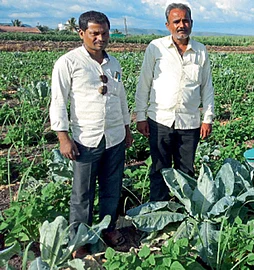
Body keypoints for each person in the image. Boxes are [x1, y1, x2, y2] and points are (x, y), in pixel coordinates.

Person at [49, 10, 133, 258]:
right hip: (86, 138)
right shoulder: (68, 62)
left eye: (104, 33)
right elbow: (58, 101)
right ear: (81, 33)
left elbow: (121, 98)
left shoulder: (113, 63)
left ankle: (108, 229)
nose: (100, 38)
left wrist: (127, 128)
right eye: (94, 33)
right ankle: (80, 240)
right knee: (82, 194)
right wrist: (63, 137)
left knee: (111, 188)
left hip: (115, 136)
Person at [135, 3, 214, 202]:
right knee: (159, 168)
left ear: (191, 23)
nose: (181, 25)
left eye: (185, 20)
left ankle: (184, 210)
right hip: (159, 119)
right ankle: (158, 209)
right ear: (168, 24)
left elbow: (207, 87)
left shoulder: (200, 51)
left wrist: (208, 118)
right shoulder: (156, 47)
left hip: (189, 122)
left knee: (186, 170)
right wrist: (141, 116)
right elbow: (144, 83)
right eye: (176, 21)